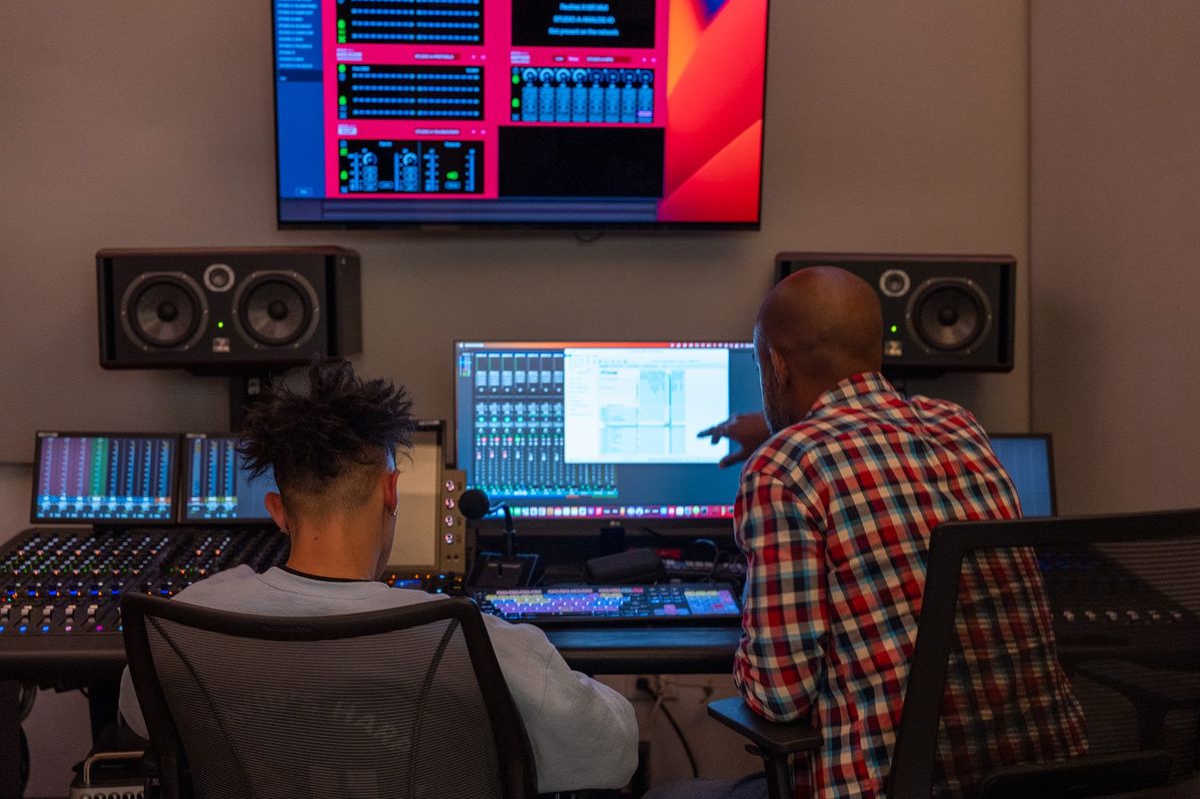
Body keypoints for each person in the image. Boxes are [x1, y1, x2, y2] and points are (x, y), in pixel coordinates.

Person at [654, 267, 1085, 798]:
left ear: (778, 366)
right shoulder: (959, 426)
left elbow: (779, 695)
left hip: (879, 785)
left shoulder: (783, 468)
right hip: (1031, 781)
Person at [118, 359, 638, 794]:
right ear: (392, 492)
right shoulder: (470, 636)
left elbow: (138, 714)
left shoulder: (188, 620)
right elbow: (612, 757)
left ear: (277, 510)